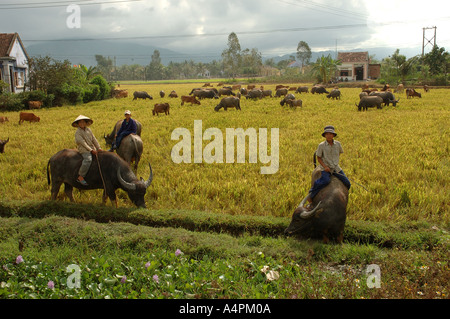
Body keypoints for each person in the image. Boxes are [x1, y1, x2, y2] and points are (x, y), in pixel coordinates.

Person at [307, 125, 351, 206]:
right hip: (325, 168)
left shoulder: (338, 144)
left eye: (330, 134)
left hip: (336, 168)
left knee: (347, 183)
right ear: (324, 135)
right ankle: (311, 194)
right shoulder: (321, 145)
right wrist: (325, 166)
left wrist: (334, 163)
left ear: (333, 135)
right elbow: (319, 157)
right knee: (325, 180)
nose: (329, 135)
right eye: (327, 134)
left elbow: (339, 153)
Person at [72, 115, 102, 186]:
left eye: (83, 122)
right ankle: (81, 176)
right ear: (78, 124)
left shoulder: (89, 130)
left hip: (92, 147)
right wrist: (91, 150)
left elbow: (94, 139)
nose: (82, 124)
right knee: (88, 159)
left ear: (86, 123)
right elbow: (83, 143)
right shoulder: (78, 132)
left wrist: (99, 147)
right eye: (80, 122)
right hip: (84, 149)